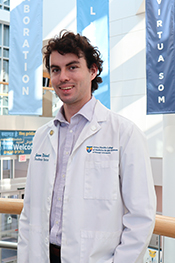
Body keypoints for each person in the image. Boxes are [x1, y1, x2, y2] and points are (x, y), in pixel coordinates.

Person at [18, 30, 156, 263]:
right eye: (55, 69)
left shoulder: (125, 133)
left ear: (92, 71)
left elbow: (141, 217)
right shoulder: (42, 136)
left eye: (72, 67)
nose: (63, 77)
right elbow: (29, 212)